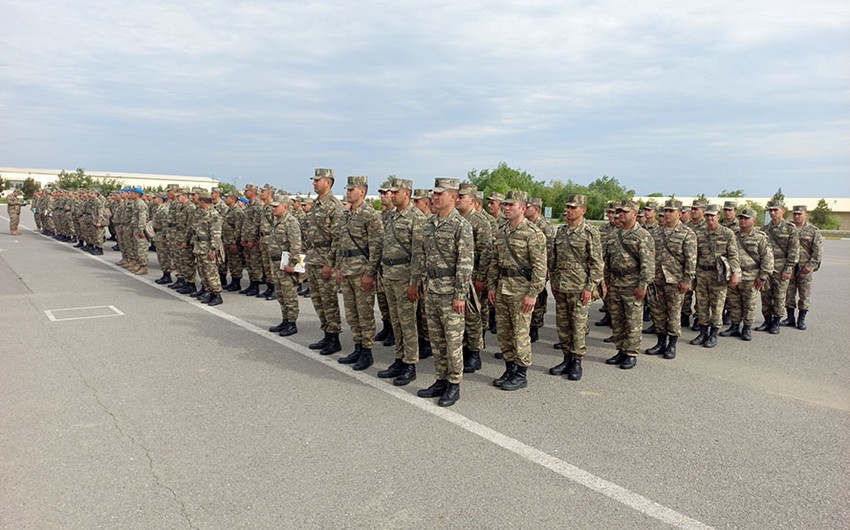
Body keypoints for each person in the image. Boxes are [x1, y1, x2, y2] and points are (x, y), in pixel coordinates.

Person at [417, 178, 473, 407]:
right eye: (434, 194)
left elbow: (465, 263)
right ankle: (440, 379)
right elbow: (424, 258)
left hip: (451, 292)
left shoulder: (461, 226)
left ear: (453, 197)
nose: (435, 197)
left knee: (452, 341)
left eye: (440, 194)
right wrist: (423, 285)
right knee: (437, 340)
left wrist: (460, 295)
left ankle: (454, 384)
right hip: (433, 290)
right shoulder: (429, 224)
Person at [488, 190, 547, 390]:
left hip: (522, 291)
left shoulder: (533, 233)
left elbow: (540, 267)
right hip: (503, 287)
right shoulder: (501, 230)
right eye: (504, 205)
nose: (506, 208)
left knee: (520, 333)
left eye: (510, 205)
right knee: (504, 332)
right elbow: (494, 262)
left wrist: (533, 294)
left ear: (522, 208)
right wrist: (492, 286)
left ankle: (521, 373)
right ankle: (509, 367)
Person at [548, 195, 603, 380]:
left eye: (573, 207)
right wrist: (553, 283)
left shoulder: (590, 232)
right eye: (568, 207)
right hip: (561, 285)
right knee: (563, 325)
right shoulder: (561, 231)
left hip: (580, 287)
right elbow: (554, 260)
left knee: (578, 326)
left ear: (583, 210)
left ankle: (577, 362)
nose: (569, 210)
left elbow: (596, 264)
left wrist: (589, 288)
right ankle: (566, 359)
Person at [376, 179, 425, 386]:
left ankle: (410, 364)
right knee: (395, 321)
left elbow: (418, 254)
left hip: (406, 277)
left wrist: (414, 282)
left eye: (395, 192)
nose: (392, 195)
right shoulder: (392, 216)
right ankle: (399, 358)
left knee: (407, 323)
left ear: (406, 193)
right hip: (389, 275)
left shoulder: (416, 218)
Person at [335, 176, 383, 370]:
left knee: (365, 313)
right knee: (351, 313)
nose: (348, 192)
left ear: (362, 191)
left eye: (351, 189)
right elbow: (341, 242)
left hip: (361, 270)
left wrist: (370, 273)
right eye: (347, 189)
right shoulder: (346, 214)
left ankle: (367, 351)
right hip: (347, 269)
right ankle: (357, 346)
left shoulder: (370, 215)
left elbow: (376, 247)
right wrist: (339, 266)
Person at [604, 200, 655, 370]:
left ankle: (631, 353)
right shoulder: (614, 235)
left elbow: (647, 264)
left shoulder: (642, 235)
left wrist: (643, 285)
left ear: (634, 213)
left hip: (632, 284)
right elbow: (607, 261)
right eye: (619, 211)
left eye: (625, 212)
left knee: (633, 320)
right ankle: (621, 349)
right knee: (617, 319)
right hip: (616, 283)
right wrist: (607, 281)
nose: (620, 214)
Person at [645, 199, 696, 359]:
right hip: (657, 279)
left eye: (671, 211)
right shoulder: (656, 233)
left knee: (673, 314)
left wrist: (687, 280)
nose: (667, 214)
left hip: (675, 281)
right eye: (665, 211)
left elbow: (691, 259)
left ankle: (672, 345)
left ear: (680, 214)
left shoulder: (687, 234)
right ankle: (660, 342)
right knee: (658, 312)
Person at [689, 205, 741, 348]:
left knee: (717, 306)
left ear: (718, 216)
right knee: (702, 305)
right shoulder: (698, 233)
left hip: (719, 275)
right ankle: (703, 333)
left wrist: (736, 272)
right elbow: (695, 255)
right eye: (707, 216)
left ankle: (713, 335)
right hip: (701, 273)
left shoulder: (727, 233)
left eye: (713, 215)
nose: (710, 218)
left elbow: (733, 255)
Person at [306, 169, 344, 356]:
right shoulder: (316, 204)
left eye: (317, 180)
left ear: (327, 183)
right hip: (313, 257)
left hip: (324, 259)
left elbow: (337, 238)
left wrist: (331, 263)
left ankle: (334, 337)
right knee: (318, 300)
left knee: (328, 300)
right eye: (314, 180)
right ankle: (326, 334)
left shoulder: (334, 206)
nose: (314, 183)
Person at [721, 208, 773, 341]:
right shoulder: (733, 235)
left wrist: (763, 277)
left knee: (749, 303)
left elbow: (767, 258)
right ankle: (735, 326)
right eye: (741, 218)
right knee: (734, 302)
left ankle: (747, 327)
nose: (743, 220)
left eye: (746, 218)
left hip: (752, 276)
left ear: (754, 221)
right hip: (734, 274)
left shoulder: (760, 237)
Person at [456, 183, 493, 373]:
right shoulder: (454, 219)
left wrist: (481, 277)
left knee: (473, 317)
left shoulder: (480, 221)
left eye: (462, 197)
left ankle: (474, 353)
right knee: (458, 317)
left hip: (474, 277)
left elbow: (486, 251)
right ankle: (462, 349)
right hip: (458, 277)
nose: (458, 199)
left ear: (472, 200)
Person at [756, 200, 799, 334]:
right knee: (765, 294)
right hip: (766, 267)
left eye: (776, 210)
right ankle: (767, 320)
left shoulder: (790, 229)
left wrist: (788, 268)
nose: (773, 213)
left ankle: (776, 322)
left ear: (783, 210)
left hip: (781, 267)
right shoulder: (764, 229)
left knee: (779, 295)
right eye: (771, 210)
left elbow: (794, 250)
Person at [267, 192, 301, 336]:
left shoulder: (291, 222)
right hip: (276, 263)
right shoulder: (277, 221)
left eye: (276, 206)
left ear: (285, 206)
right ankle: (285, 319)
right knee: (280, 294)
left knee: (289, 295)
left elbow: (296, 246)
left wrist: (293, 267)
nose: (273, 209)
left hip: (286, 263)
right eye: (272, 206)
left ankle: (292, 323)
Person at [782, 205, 822, 330]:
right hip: (790, 267)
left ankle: (801, 319)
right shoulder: (788, 228)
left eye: (800, 214)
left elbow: (817, 251)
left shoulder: (813, 230)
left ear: (806, 214)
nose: (797, 216)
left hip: (805, 267)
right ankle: (790, 317)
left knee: (804, 294)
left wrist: (811, 266)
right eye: (795, 214)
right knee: (789, 293)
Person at [525, 197, 555, 343]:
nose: (525, 209)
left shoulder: (544, 226)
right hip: (525, 270)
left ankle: (535, 326)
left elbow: (549, 250)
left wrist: (547, 271)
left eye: (528, 207)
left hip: (539, 269)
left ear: (536, 209)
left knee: (538, 298)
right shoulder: (525, 224)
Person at [374, 179, 397, 346]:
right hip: (382, 265)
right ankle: (387, 326)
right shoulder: (382, 216)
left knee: (393, 303)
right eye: (381, 193)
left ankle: (394, 332)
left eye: (385, 193)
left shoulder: (397, 214)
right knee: (382, 299)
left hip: (395, 267)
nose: (382, 196)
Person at [192, 190, 223, 306]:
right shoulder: (202, 213)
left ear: (203, 201)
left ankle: (217, 294)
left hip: (207, 248)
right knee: (203, 271)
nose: (197, 203)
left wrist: (213, 250)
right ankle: (209, 291)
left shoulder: (213, 215)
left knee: (211, 271)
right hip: (200, 247)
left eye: (199, 201)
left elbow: (216, 234)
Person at [239, 185, 264, 296]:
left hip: (253, 241)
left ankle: (256, 286)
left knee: (255, 264)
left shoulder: (257, 205)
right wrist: (243, 238)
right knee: (249, 264)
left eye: (247, 190)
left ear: (253, 191)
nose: (245, 192)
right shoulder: (249, 205)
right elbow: (246, 224)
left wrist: (252, 239)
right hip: (247, 239)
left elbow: (256, 224)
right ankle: (251, 284)